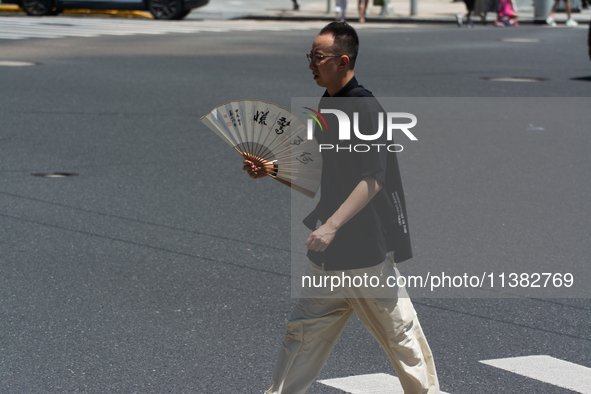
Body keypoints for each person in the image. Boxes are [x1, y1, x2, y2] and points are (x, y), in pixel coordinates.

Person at [244, 22, 439, 394]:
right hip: (330, 253)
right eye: (310, 56)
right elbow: (320, 170)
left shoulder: (365, 108)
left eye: (318, 57)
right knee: (302, 333)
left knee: (400, 335)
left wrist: (331, 225)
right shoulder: (329, 103)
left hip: (364, 249)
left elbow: (374, 178)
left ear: (343, 60)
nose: (311, 64)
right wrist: (272, 170)